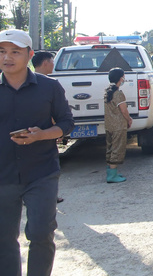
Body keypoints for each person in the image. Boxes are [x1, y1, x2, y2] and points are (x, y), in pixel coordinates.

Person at [0, 29, 74, 276]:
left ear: (29, 54)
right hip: (3, 174)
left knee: (42, 233)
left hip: (41, 172)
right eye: (1, 51)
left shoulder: (49, 87)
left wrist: (41, 135)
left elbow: (66, 123)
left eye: (14, 52)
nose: (7, 57)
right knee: (4, 239)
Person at [30, 51, 64, 203]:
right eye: (52, 61)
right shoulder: (47, 85)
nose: (53, 64)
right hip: (40, 137)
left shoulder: (48, 84)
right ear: (45, 63)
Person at [104, 68, 132, 183]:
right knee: (117, 149)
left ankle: (110, 171)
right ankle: (112, 175)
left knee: (110, 148)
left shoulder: (107, 92)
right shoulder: (118, 94)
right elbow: (124, 111)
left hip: (109, 125)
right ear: (121, 78)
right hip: (118, 126)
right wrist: (129, 120)